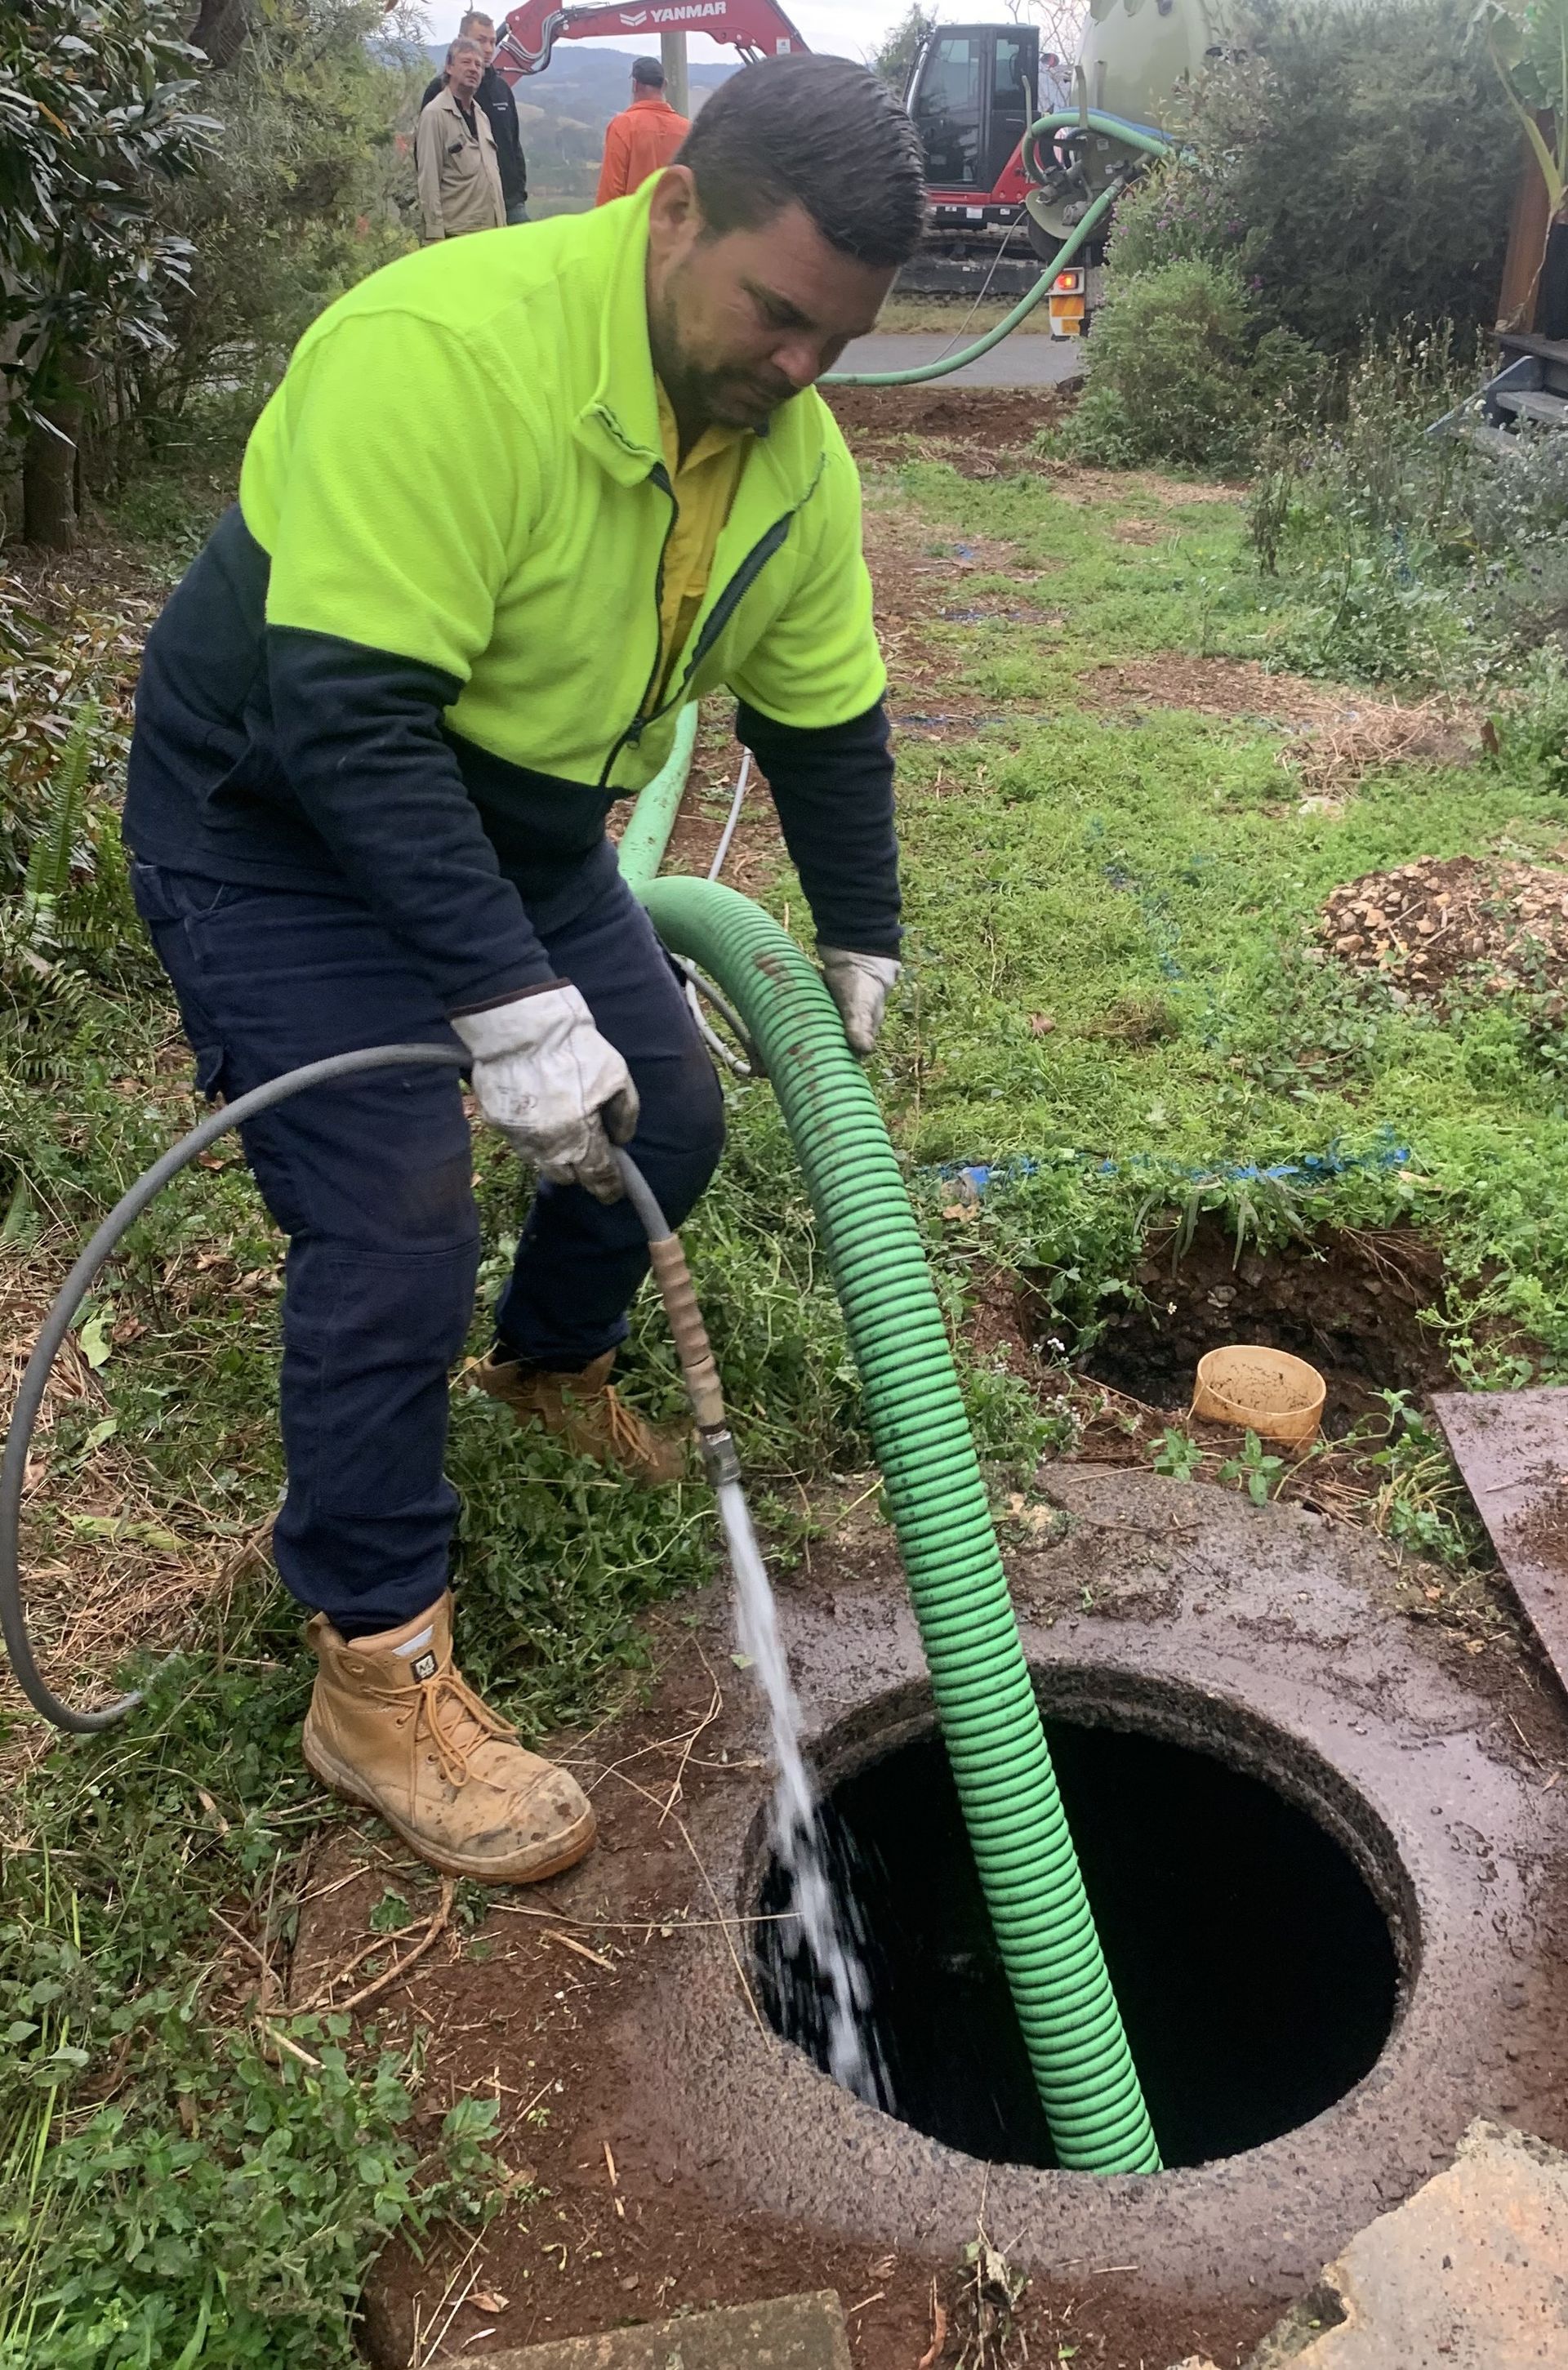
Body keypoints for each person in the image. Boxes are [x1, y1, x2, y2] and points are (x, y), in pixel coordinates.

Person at [123, 56, 926, 1891]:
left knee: (678, 1111)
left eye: (843, 339)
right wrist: (501, 1014)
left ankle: (552, 1365)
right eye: (777, 312)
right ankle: (376, 1671)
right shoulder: (448, 354)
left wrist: (861, 927)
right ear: (672, 216)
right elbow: (347, 720)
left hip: (533, 812)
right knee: (398, 1202)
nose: (801, 365)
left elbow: (829, 716)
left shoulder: (790, 465)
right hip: (277, 812)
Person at [421, 11, 530, 227]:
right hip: (464, 212)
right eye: (481, 41)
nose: (489, 49)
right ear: (461, 40)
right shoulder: (440, 92)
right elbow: (428, 160)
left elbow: (514, 144)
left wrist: (518, 191)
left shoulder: (502, 90)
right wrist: (434, 225)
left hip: (509, 203)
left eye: (492, 41)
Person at [416, 35, 506, 242]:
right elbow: (428, 181)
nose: (474, 69)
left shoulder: (482, 117)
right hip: (456, 237)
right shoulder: (435, 114)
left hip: (491, 234)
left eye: (479, 65)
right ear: (449, 67)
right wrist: (434, 237)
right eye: (466, 62)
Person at [596, 55, 689, 206]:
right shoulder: (686, 129)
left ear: (635, 85)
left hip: (633, 226)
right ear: (664, 85)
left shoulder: (623, 126)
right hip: (673, 227)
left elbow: (611, 192)